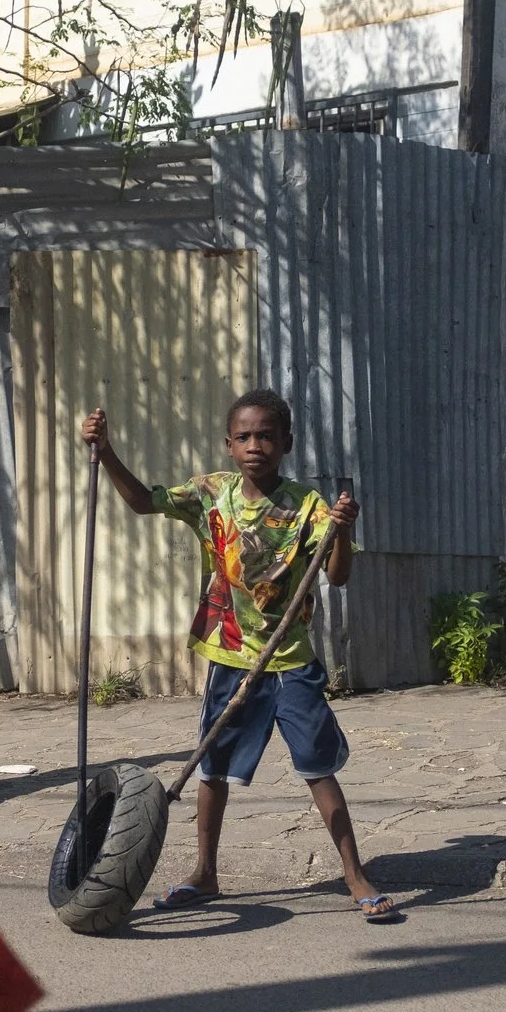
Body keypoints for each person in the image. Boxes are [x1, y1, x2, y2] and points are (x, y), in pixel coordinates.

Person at [80, 391, 400, 923]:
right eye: (244, 437)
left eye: (267, 436)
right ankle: (205, 872)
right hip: (230, 657)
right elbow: (142, 501)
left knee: (318, 769)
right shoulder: (210, 494)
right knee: (214, 770)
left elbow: (338, 575)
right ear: (228, 446)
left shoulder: (309, 507)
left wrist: (342, 531)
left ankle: (354, 873)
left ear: (287, 444)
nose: (256, 446)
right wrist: (106, 451)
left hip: (290, 660)